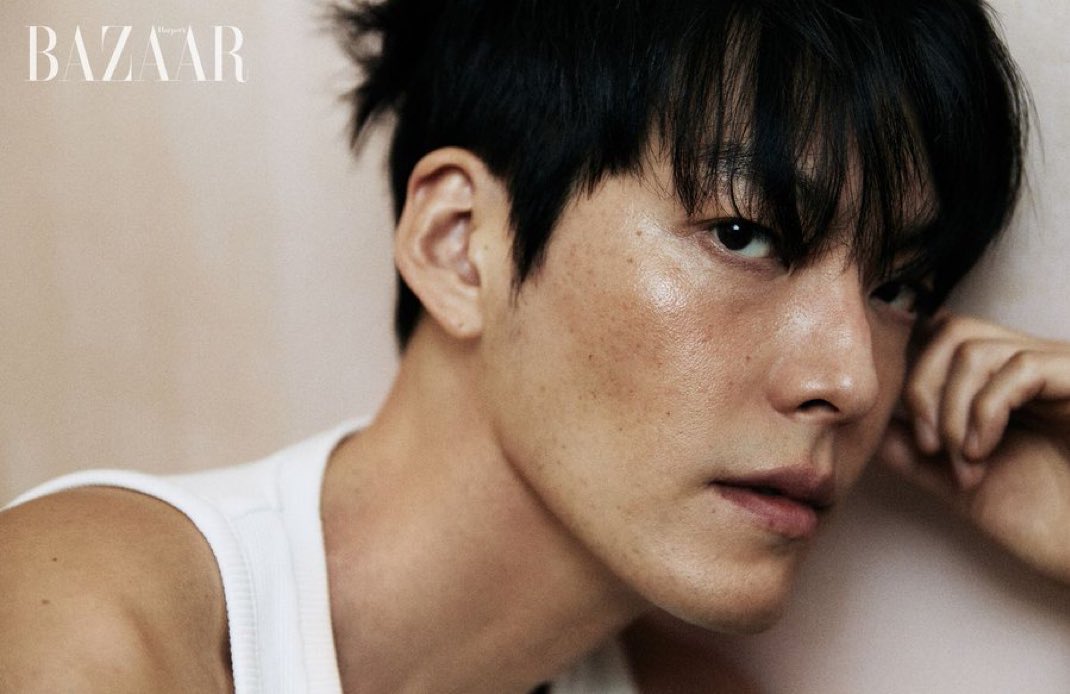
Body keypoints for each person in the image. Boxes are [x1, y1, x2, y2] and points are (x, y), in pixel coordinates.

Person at [2, 0, 1068, 691]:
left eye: (898, 288)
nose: (850, 376)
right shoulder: (93, 634)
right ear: (460, 247)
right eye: (742, 233)